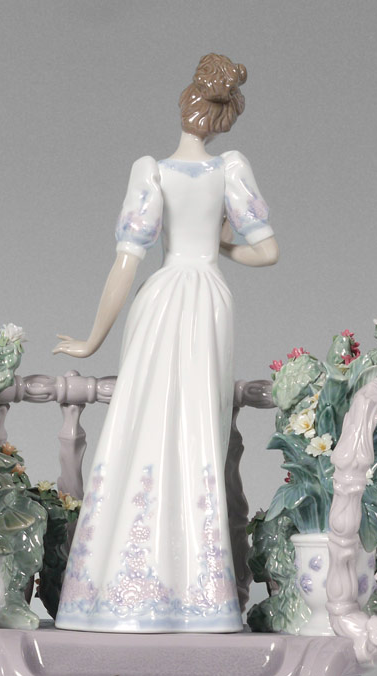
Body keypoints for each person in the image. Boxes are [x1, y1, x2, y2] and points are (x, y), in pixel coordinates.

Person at [53, 54, 279, 632]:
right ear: (225, 117)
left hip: (161, 298)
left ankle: (113, 592)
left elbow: (125, 265)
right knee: (200, 429)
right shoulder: (231, 168)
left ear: (185, 104)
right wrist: (217, 245)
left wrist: (92, 340)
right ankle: (197, 595)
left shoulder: (150, 170)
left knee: (141, 424)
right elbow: (267, 252)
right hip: (207, 299)